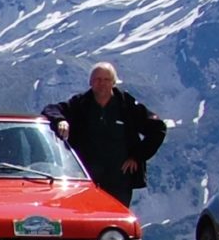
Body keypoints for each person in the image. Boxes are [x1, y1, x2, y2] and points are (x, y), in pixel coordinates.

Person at [40, 62, 168, 208]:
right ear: (90, 82)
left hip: (119, 180)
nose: (102, 83)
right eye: (97, 79)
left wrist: (137, 156)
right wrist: (60, 120)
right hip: (86, 180)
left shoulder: (126, 105)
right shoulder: (81, 104)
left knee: (115, 224)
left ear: (114, 82)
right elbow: (51, 109)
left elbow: (158, 129)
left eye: (106, 80)